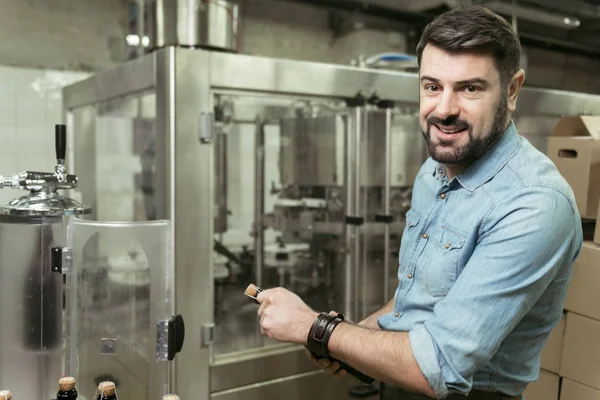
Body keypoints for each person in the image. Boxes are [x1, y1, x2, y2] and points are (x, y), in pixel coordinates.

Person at [254, 5, 583, 399]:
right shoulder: (434, 172)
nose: (444, 110)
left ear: (512, 90)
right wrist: (346, 338)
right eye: (432, 87)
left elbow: (438, 367)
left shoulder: (535, 204)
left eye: (470, 88)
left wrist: (315, 327)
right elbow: (418, 300)